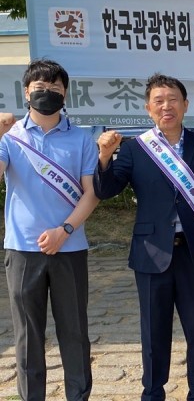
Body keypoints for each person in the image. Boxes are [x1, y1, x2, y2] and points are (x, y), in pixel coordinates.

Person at [93, 73, 194, 401]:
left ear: (185, 105)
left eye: (173, 100)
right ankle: (152, 393)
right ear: (148, 108)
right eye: (159, 101)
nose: (167, 106)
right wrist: (105, 157)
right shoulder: (136, 149)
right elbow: (106, 190)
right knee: (154, 333)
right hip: (151, 253)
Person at [0, 59, 99, 400]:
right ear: (26, 92)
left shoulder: (82, 138)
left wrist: (65, 230)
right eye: (40, 88)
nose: (47, 94)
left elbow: (91, 193)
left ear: (66, 94)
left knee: (74, 333)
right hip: (22, 250)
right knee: (28, 336)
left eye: (55, 89)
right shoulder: (10, 138)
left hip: (69, 249)